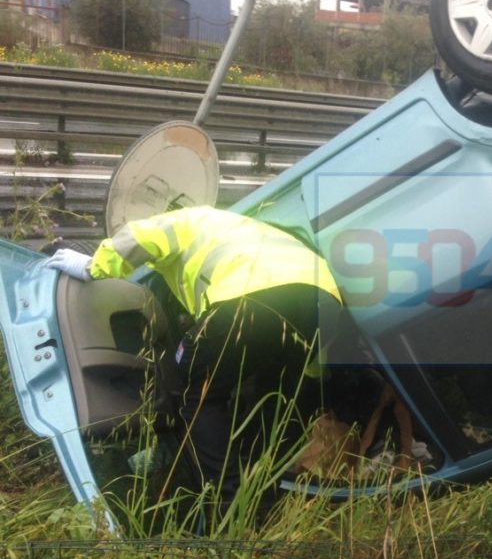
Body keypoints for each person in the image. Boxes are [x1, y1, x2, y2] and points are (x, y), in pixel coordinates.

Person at [44, 205, 344, 513]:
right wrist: (309, 371)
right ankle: (265, 497)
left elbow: (142, 235)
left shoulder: (191, 217)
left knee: (197, 397)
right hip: (324, 303)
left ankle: (232, 508)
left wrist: (96, 265)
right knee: (266, 403)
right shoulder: (252, 231)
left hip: (250, 294)